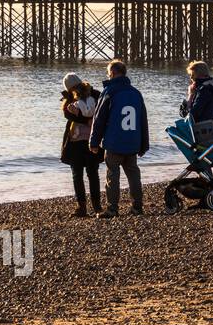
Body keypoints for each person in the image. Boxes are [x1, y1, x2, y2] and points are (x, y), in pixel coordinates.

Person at [89, 59, 149, 218]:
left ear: (113, 73)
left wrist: (94, 142)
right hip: (132, 142)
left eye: (108, 73)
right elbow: (143, 120)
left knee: (112, 175)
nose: (108, 76)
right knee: (134, 174)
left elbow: (99, 119)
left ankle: (112, 209)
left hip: (114, 142)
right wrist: (144, 144)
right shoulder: (136, 93)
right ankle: (137, 207)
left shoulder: (109, 92)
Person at [60, 73, 103, 217]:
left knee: (77, 174)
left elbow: (67, 114)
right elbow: (101, 111)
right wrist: (88, 121)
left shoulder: (69, 99)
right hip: (93, 139)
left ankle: (82, 206)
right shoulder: (95, 94)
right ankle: (96, 206)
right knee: (92, 173)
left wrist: (82, 118)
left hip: (77, 141)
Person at [181, 60, 213, 149]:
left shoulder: (204, 90)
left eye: (192, 75)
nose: (191, 78)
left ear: (198, 74)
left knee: (173, 130)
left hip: (200, 130)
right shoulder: (212, 86)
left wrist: (190, 96)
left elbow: (192, 115)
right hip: (210, 129)